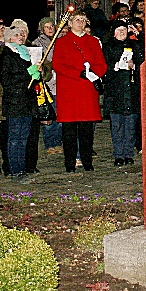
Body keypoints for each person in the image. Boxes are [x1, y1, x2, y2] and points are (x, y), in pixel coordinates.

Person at [52, 11, 107, 172]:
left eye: (83, 20)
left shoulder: (93, 41)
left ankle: (87, 160)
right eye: (77, 20)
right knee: (69, 130)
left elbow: (101, 63)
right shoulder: (62, 42)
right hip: (69, 90)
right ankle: (69, 162)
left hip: (87, 90)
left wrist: (93, 74)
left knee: (86, 130)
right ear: (70, 23)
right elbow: (58, 65)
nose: (80, 23)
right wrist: (78, 73)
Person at [0, 21, 41, 180]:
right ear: (9, 39)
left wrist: (36, 75)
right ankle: (16, 170)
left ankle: (21, 168)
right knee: (15, 139)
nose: (21, 36)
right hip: (15, 102)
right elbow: (7, 81)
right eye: (16, 35)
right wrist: (28, 75)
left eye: (22, 34)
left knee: (24, 138)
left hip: (27, 102)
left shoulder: (25, 54)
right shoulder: (6, 56)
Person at [103, 20, 144, 165]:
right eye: (118, 30)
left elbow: (143, 60)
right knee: (117, 125)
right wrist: (115, 66)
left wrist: (134, 65)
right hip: (115, 92)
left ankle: (128, 154)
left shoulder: (135, 45)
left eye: (124, 30)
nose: (122, 33)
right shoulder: (108, 47)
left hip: (131, 91)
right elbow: (103, 67)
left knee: (130, 124)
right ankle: (118, 154)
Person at [32, 18, 63, 156]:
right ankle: (50, 143)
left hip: (62, 82)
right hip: (48, 84)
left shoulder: (61, 40)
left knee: (60, 115)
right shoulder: (37, 43)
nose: (50, 29)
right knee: (49, 114)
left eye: (52, 26)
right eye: (46, 27)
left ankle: (58, 142)